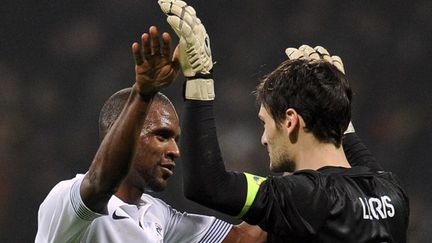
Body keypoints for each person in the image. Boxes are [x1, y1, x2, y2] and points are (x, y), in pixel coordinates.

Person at [158, 0, 410, 242]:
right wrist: (332, 99)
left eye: (265, 123)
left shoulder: (307, 198)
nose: (263, 139)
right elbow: (360, 162)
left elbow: (208, 186)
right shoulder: (391, 192)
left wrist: (199, 79)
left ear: (290, 121)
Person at [35, 26, 266, 243]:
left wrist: (297, 174)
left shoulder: (157, 214)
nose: (175, 151)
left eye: (174, 140)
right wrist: (143, 94)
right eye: (162, 136)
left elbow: (244, 238)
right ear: (122, 134)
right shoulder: (66, 200)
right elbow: (100, 183)